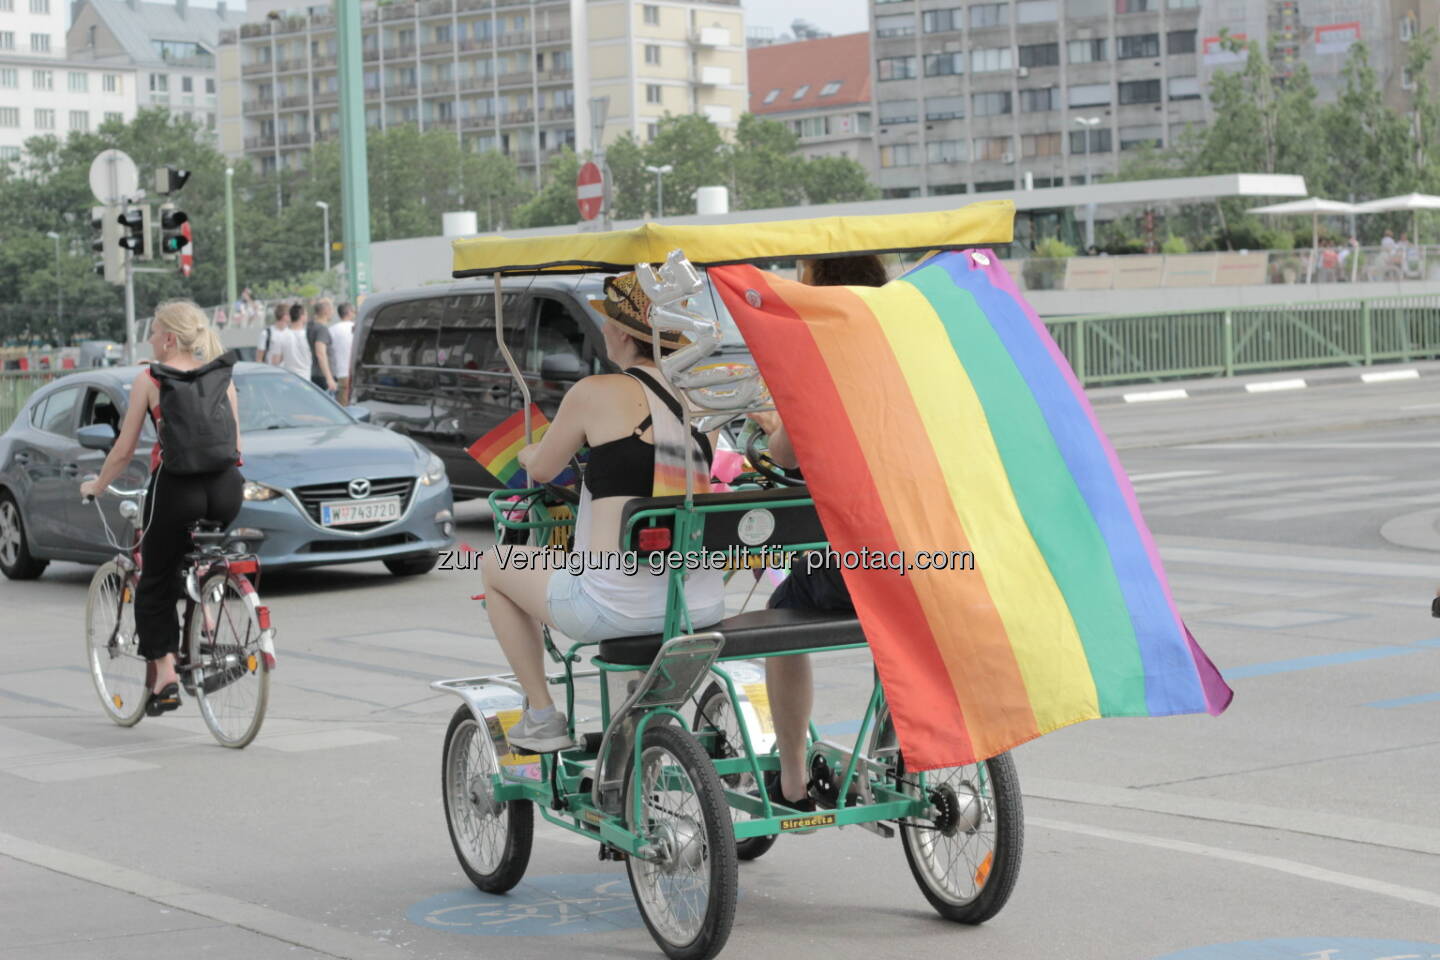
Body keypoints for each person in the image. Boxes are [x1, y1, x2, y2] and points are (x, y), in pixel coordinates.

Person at [479, 274, 725, 752]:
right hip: (699, 607)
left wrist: (529, 455)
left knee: (494, 565)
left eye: (607, 321)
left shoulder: (595, 391)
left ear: (624, 333)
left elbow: (547, 467)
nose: (604, 330)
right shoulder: (699, 399)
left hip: (610, 608)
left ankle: (543, 715)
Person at [747, 254, 886, 812]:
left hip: (847, 572)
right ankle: (898, 745)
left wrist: (775, 424)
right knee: (897, 616)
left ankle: (793, 781)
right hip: (918, 557)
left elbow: (783, 455)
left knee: (785, 607)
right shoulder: (903, 345)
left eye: (803, 274)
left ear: (822, 284)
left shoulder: (822, 351)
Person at [80, 301, 243, 715]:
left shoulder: (150, 380)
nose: (150, 339)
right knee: (195, 560)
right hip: (227, 491)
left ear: (168, 338)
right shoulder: (223, 376)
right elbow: (237, 447)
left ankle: (166, 675)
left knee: (153, 580)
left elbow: (123, 450)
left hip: (177, 491)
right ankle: (203, 615)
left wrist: (97, 485)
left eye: (154, 332)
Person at [272, 301, 313, 379]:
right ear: (302, 316)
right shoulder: (308, 335)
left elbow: (275, 361)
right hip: (306, 379)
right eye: (306, 314)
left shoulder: (281, 335)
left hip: (288, 378)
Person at [307, 296, 338, 395]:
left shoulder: (310, 326)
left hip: (314, 373)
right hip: (323, 377)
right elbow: (320, 353)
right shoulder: (322, 329)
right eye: (331, 309)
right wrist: (329, 378)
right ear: (326, 311)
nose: (333, 313)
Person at [330, 302, 357, 404]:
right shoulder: (357, 327)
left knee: (343, 408)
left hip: (340, 374)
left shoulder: (332, 330)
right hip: (355, 373)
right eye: (353, 311)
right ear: (349, 312)